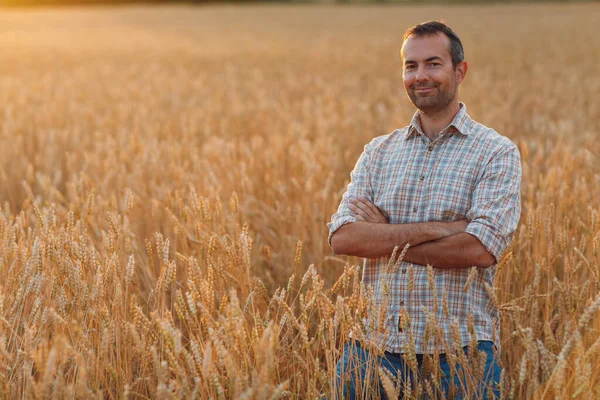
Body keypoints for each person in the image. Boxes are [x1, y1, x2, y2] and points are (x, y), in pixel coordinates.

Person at [327, 21, 521, 399]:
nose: (420, 76)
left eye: (433, 64)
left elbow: (479, 250)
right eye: (410, 66)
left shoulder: (495, 152)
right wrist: (443, 228)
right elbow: (343, 237)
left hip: (461, 354)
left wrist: (386, 236)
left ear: (459, 71)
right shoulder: (378, 152)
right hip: (371, 349)